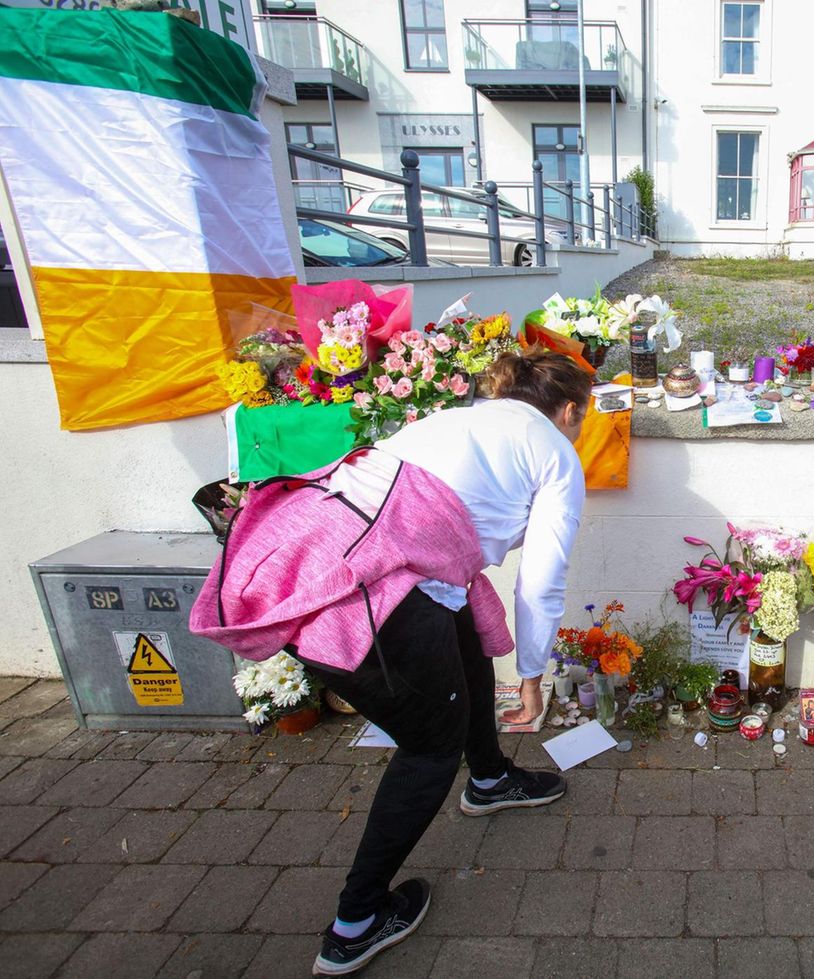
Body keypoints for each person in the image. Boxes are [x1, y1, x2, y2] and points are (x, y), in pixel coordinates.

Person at [191, 349, 591, 976]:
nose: (577, 430)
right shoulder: (556, 453)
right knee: (430, 747)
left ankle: (489, 780)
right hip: (369, 600)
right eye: (581, 419)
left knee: (467, 634)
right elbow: (539, 583)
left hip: (322, 561)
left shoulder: (458, 419)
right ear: (569, 410)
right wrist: (534, 678)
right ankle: (355, 923)